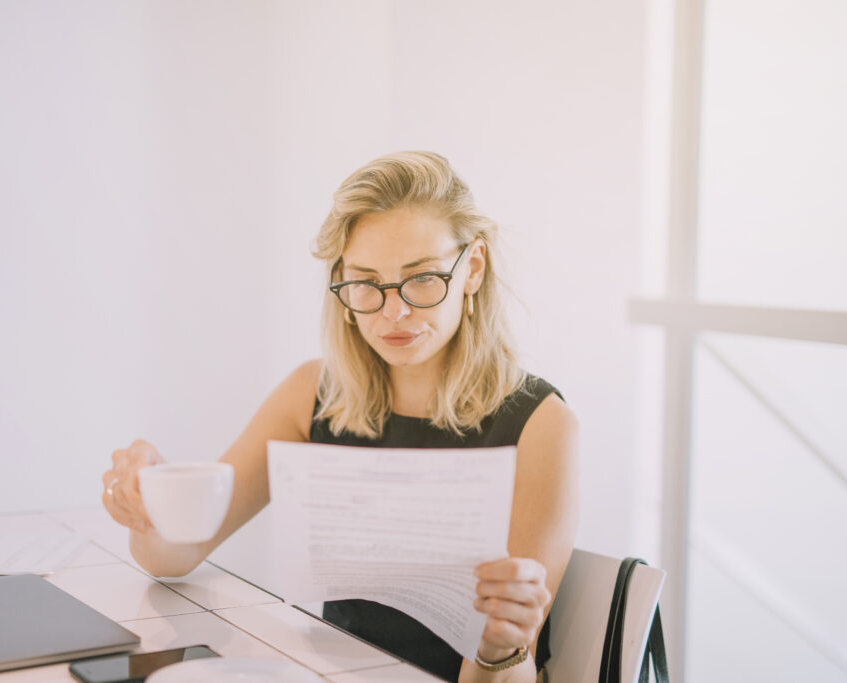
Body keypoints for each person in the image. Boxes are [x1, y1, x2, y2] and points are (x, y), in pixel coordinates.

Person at [101, 151, 579, 683]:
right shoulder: (313, 396)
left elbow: (506, 667)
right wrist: (151, 504)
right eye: (366, 282)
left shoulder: (542, 426)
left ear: (472, 268)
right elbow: (175, 557)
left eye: (422, 279)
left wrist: (498, 648)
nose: (392, 312)